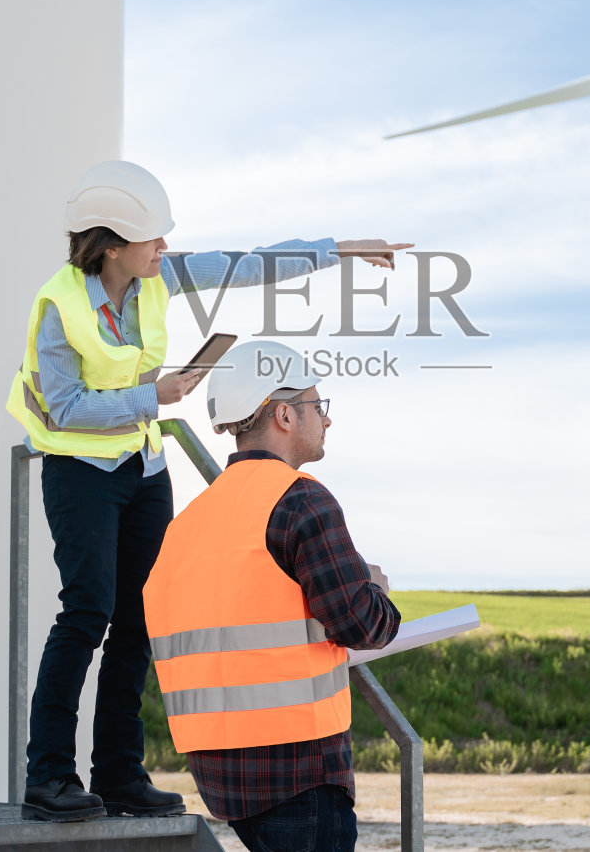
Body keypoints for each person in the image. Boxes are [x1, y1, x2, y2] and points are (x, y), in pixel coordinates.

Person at [8, 160, 408, 822]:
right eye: (153, 237)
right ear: (112, 243)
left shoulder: (157, 276)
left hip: (142, 466)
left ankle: (117, 774)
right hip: (79, 468)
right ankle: (47, 775)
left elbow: (246, 264)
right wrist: (152, 395)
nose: (164, 247)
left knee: (138, 619)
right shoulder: (59, 305)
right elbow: (63, 406)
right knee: (86, 611)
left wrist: (341, 251)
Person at [142, 340, 400, 851]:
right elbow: (363, 624)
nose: (325, 420)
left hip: (223, 779)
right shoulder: (301, 499)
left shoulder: (188, 524)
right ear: (284, 414)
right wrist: (373, 586)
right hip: (299, 773)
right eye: (317, 406)